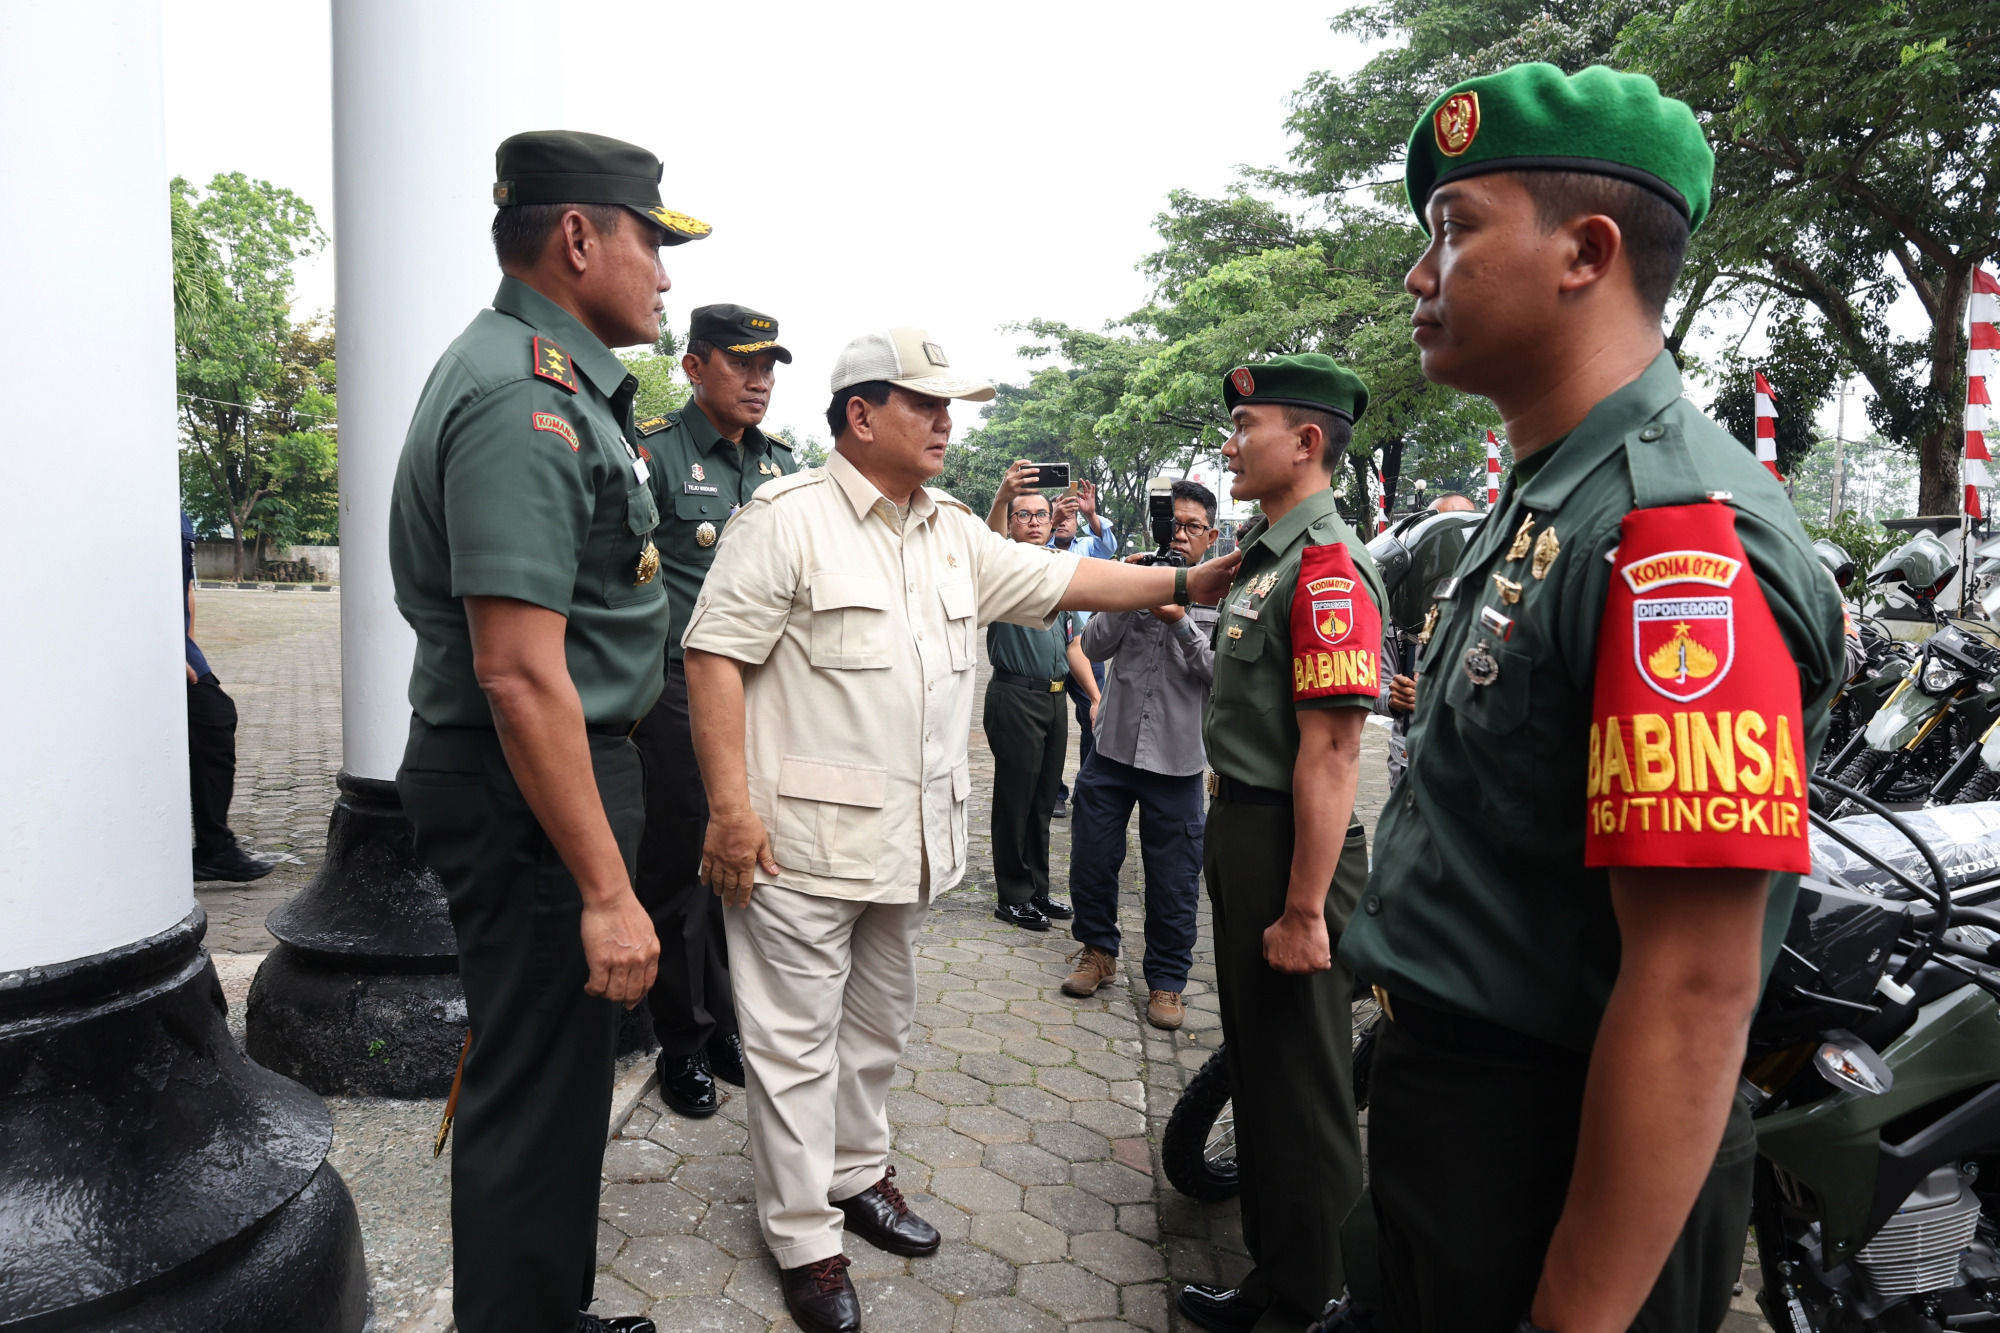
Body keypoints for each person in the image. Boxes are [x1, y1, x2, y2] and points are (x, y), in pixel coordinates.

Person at [1339, 64, 1843, 1333]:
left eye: (1451, 230)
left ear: (1586, 252)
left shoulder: (1674, 543)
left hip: (1547, 1161)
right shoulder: (1548, 489)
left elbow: (1689, 989)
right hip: (1451, 1123)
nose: (1418, 273)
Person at [681, 326, 1242, 1333]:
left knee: (875, 1032)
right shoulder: (787, 518)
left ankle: (857, 1174)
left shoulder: (945, 529)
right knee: (792, 1047)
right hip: (795, 845)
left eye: (950, 407)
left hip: (904, 844)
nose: (947, 423)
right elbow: (713, 656)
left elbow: (1063, 580)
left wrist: (1179, 583)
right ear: (860, 415)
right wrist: (728, 809)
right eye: (924, 404)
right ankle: (803, 1233)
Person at [386, 129, 713, 1333]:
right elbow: (520, 676)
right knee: (534, 1094)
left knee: (562, 1083)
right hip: (535, 786)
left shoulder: (552, 383)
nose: (665, 278)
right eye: (652, 244)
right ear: (578, 236)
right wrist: (606, 890)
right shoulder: (525, 398)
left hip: (555, 775)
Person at [1174, 355, 1385, 1333]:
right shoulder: (1265, 553)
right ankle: (1273, 1280)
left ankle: (1316, 1299)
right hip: (1245, 828)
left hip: (1294, 846)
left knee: (1302, 1087)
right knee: (1260, 1067)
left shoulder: (1328, 566)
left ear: (1305, 443)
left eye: (1244, 426)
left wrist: (1305, 910)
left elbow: (1334, 749)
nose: (1227, 443)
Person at [627, 304, 796, 1119]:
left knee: (745, 868)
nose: (759, 381)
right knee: (684, 872)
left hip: (764, 692)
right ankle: (682, 1041)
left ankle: (725, 1018)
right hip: (677, 690)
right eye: (742, 364)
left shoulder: (782, 468)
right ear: (694, 368)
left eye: (769, 367)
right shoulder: (655, 453)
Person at [1060, 479, 1221, 1030]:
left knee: (1174, 878)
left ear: (1211, 536)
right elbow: (1094, 645)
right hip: (1111, 751)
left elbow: (1221, 677)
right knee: (1093, 858)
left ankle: (1168, 982)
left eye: (1191, 526)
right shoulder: (1137, 577)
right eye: (1171, 524)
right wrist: (1126, 590)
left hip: (1176, 764)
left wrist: (1179, 621)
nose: (1178, 536)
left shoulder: (1225, 593)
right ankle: (1098, 951)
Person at [983, 489, 1090, 930]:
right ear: (1009, 524)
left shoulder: (1057, 573)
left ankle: (1038, 890)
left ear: (1052, 522)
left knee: (1044, 799)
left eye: (1041, 514)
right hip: (1015, 696)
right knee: (1016, 798)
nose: (1032, 520)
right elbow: (985, 542)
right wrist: (1001, 496)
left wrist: (1097, 697)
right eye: (1021, 514)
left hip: (1054, 697)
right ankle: (1012, 894)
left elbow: (1074, 642)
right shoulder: (998, 567)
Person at [184, 511, 274, 884]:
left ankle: (212, 847)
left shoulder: (178, 515)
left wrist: (185, 644)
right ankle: (213, 849)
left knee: (215, 717)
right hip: (153, 645)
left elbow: (183, 589)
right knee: (212, 719)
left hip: (180, 647)